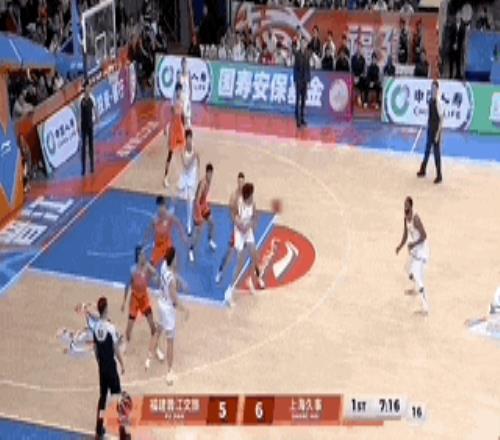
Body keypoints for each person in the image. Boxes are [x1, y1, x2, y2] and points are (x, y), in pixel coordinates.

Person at [146, 247, 189, 385]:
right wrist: (185, 309)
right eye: (176, 257)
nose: (178, 259)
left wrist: (180, 280)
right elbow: (175, 299)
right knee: (170, 342)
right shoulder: (171, 280)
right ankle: (169, 372)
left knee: (158, 330)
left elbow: (169, 275)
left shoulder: (164, 266)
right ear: (173, 260)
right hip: (168, 311)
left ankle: (149, 357)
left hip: (161, 303)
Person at [224, 182, 265, 307]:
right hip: (239, 232)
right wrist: (240, 224)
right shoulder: (239, 203)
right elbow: (233, 216)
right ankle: (229, 292)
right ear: (247, 195)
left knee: (255, 254)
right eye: (252, 194)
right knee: (240, 264)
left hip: (247, 231)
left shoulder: (252, 203)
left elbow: (255, 216)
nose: (253, 196)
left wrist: (251, 224)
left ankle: (258, 278)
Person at [92, 296, 125, 439]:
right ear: (105, 309)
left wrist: (99, 361)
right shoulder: (110, 328)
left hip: (102, 368)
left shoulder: (95, 327)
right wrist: (122, 364)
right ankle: (123, 433)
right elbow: (116, 349)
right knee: (118, 398)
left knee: (103, 399)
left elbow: (95, 348)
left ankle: (99, 428)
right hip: (111, 368)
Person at [395, 197, 430, 315]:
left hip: (422, 249)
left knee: (418, 277)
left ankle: (425, 308)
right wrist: (400, 246)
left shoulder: (416, 218)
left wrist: (413, 244)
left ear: (411, 206)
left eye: (407, 205)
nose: (405, 207)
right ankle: (415, 289)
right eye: (404, 204)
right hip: (415, 248)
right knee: (407, 268)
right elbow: (405, 234)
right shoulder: (406, 218)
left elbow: (424, 235)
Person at [121, 246, 158, 351]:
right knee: (129, 328)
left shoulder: (147, 267)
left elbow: (155, 273)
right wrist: (124, 302)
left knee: (152, 325)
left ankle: (155, 347)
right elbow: (127, 286)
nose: (144, 256)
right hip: (134, 300)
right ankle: (126, 344)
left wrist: (150, 269)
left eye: (144, 254)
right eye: (142, 254)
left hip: (144, 299)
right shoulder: (133, 270)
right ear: (138, 256)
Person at [215, 172, 245, 284]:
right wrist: (236, 222)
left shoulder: (246, 195)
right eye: (239, 182)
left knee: (243, 253)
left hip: (244, 228)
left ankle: (239, 278)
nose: (241, 184)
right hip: (236, 228)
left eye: (242, 182)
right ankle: (220, 271)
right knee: (229, 252)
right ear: (237, 182)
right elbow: (231, 212)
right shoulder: (234, 196)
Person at [145, 195, 186, 268]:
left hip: (167, 244)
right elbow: (149, 230)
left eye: (161, 207)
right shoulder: (156, 219)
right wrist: (146, 240)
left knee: (172, 265)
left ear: (164, 206)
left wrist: (183, 235)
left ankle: (173, 203)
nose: (160, 209)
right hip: (159, 246)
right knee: (151, 267)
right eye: (159, 207)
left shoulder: (169, 216)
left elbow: (178, 223)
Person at [189, 163, 217, 262]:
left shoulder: (209, 182)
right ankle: (191, 250)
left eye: (211, 174)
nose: (210, 176)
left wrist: (206, 205)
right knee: (198, 232)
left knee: (212, 223)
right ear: (206, 173)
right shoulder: (203, 183)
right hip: (198, 207)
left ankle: (209, 240)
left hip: (203, 205)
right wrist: (199, 215)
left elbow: (203, 197)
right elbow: (197, 200)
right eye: (209, 174)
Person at [417, 80, 443, 184]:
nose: (433, 90)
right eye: (432, 88)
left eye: (435, 88)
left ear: (437, 89)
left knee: (436, 153)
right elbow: (430, 115)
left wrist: (438, 134)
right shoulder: (430, 100)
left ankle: (439, 175)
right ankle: (423, 169)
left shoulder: (438, 102)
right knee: (427, 150)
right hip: (430, 128)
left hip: (436, 130)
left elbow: (442, 119)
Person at [177, 129, 200, 236]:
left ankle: (191, 221)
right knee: (183, 199)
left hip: (193, 177)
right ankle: (188, 223)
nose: (189, 140)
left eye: (190, 138)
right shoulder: (182, 151)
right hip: (185, 176)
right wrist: (193, 157)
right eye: (187, 138)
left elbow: (198, 160)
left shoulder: (195, 149)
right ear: (185, 139)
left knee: (191, 200)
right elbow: (186, 165)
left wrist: (198, 173)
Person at [163, 83, 185, 187]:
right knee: (170, 154)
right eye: (178, 90)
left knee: (182, 152)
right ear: (175, 91)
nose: (179, 92)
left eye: (180, 90)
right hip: (173, 129)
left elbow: (182, 115)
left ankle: (182, 178)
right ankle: (165, 177)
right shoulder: (173, 101)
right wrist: (165, 127)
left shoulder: (182, 99)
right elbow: (169, 115)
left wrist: (185, 127)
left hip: (179, 129)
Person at [80, 82, 97, 176]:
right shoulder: (81, 99)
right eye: (87, 88)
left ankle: (92, 166)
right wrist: (78, 125)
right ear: (84, 89)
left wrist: (97, 117)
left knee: (91, 145)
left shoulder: (92, 98)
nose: (88, 89)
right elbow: (79, 113)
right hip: (83, 126)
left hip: (90, 125)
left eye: (89, 88)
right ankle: (83, 168)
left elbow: (95, 108)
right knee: (83, 147)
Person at [293, 37, 310, 128]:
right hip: (299, 80)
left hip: (305, 80)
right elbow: (295, 68)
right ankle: (297, 119)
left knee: (303, 100)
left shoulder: (307, 54)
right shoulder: (297, 54)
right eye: (302, 43)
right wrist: (295, 80)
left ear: (306, 44)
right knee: (297, 100)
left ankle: (302, 118)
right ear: (300, 44)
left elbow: (308, 68)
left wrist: (309, 80)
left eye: (305, 43)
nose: (303, 44)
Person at [449, 12, 465, 79]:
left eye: (459, 15)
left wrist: (458, 44)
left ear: (460, 17)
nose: (458, 17)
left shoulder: (462, 26)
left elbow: (463, 36)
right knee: (451, 60)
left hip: (459, 46)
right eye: (457, 15)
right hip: (452, 45)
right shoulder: (452, 25)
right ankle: (450, 74)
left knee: (458, 61)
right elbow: (450, 35)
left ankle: (458, 74)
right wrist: (453, 44)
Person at [178, 57, 192, 128]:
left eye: (185, 63)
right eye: (183, 63)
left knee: (187, 112)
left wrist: (191, 95)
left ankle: (188, 127)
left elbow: (190, 84)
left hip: (186, 95)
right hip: (181, 95)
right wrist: (178, 95)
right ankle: (182, 127)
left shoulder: (189, 72)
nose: (184, 64)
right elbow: (178, 85)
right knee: (181, 112)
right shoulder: (179, 73)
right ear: (181, 64)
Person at [351, 41, 366, 107]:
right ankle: (353, 98)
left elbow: (363, 70)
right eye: (357, 47)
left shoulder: (363, 59)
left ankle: (359, 97)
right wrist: (354, 76)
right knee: (352, 81)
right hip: (354, 76)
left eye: (360, 47)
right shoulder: (353, 58)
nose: (358, 49)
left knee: (363, 81)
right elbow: (352, 68)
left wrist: (359, 77)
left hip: (360, 76)